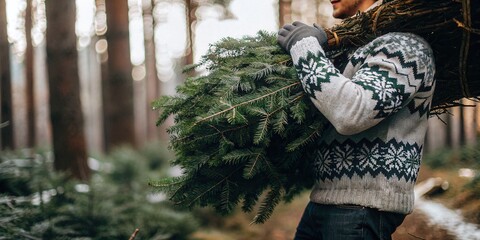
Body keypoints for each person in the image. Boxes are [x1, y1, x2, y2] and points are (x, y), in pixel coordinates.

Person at [277, 0, 436, 239]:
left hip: (361, 207)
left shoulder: (405, 46)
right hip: (326, 199)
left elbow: (352, 112)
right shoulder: (364, 47)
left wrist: (303, 46)